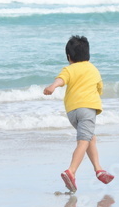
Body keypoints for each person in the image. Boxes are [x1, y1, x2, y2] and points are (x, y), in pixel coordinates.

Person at [43, 35, 114, 192]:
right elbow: (100, 88)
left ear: (69, 57)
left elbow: (61, 79)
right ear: (88, 54)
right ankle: (71, 171)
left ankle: (99, 169)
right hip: (87, 108)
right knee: (83, 141)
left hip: (72, 112)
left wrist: (52, 87)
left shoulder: (69, 69)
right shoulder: (93, 69)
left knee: (90, 138)